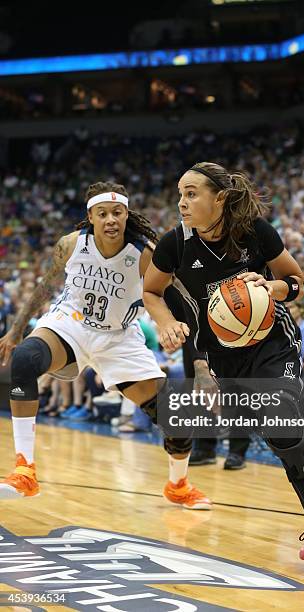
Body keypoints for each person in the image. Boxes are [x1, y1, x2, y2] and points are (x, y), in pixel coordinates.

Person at [143, 161, 304, 561]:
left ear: (219, 198)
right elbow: (152, 291)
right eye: (180, 194)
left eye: (191, 193)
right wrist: (165, 323)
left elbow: (296, 281)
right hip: (222, 355)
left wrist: (272, 286)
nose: (181, 202)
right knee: (278, 439)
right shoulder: (175, 243)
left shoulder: (255, 232)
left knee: (280, 424)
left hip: (272, 342)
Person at [0, 181, 211, 510]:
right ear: (91, 217)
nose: (111, 219)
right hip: (72, 323)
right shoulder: (70, 244)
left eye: (118, 212)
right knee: (25, 359)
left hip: (119, 337)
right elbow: (44, 287)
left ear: (127, 214)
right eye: (103, 213)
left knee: (178, 418)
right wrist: (15, 331)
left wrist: (196, 359)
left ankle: (178, 484)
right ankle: (25, 469)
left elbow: (184, 305)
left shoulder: (145, 254)